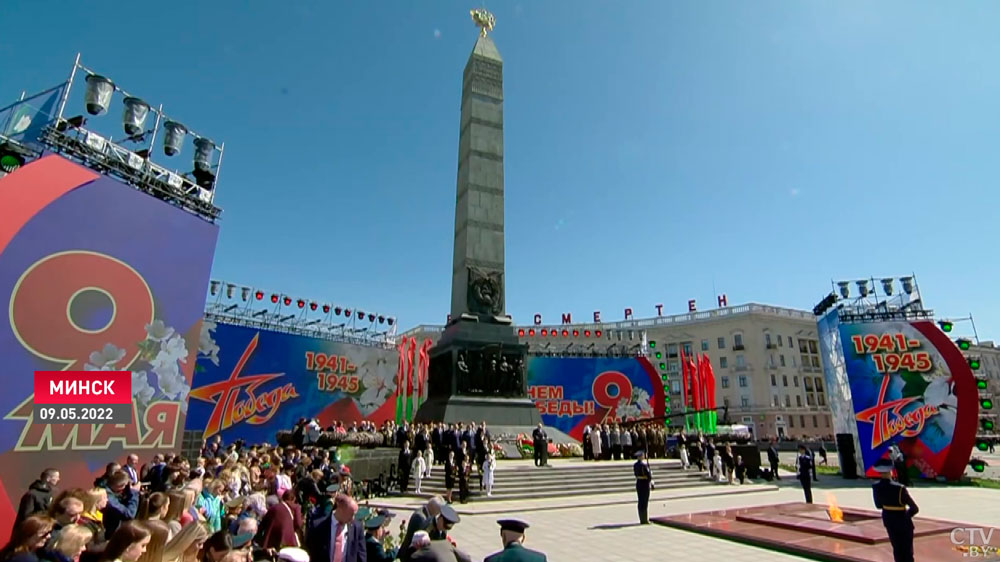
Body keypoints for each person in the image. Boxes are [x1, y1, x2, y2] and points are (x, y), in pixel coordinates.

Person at [872, 459, 918, 562]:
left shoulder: (876, 487)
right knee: (907, 552)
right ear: (891, 471)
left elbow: (879, 505)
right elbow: (914, 508)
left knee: (897, 550)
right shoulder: (900, 488)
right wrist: (905, 516)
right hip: (903, 521)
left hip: (889, 520)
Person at [305, 493, 365, 562]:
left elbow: (361, 556)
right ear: (340, 509)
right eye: (351, 514)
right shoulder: (318, 527)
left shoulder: (357, 528)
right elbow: (310, 553)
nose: (353, 519)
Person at [633, 450, 653, 525]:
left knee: (640, 501)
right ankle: (644, 519)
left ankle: (641, 518)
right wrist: (650, 474)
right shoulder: (643, 465)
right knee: (644, 501)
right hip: (644, 483)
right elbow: (648, 476)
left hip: (639, 483)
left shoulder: (635, 465)